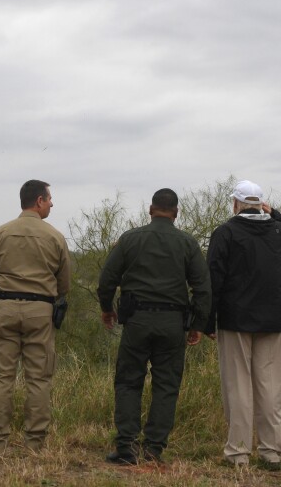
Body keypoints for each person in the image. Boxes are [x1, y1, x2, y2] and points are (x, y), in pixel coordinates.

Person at [97, 188, 212, 465]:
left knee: (128, 381)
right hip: (173, 324)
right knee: (166, 385)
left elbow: (107, 279)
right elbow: (203, 289)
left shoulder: (130, 239)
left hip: (137, 321)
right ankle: (153, 449)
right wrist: (197, 323)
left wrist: (106, 308)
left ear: (150, 210)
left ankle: (126, 447)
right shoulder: (187, 243)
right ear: (176, 213)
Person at [205, 180, 281, 471]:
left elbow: (213, 278)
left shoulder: (225, 232)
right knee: (270, 387)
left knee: (237, 386)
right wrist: (276, 214)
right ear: (262, 203)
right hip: (272, 320)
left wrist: (206, 320)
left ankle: (238, 453)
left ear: (235, 204)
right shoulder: (277, 231)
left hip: (235, 320)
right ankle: (271, 451)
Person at [0, 179, 71, 452]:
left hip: (4, 309)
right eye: (50, 198)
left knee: (0, 377)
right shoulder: (54, 236)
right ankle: (34, 444)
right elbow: (64, 284)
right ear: (39, 201)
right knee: (39, 378)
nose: (52, 203)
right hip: (40, 312)